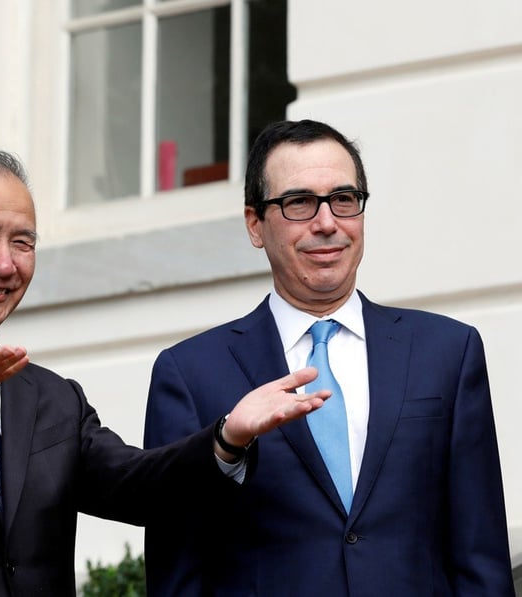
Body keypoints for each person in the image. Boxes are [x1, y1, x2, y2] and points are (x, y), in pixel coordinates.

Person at [0, 147, 330, 596]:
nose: (4, 263)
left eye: (23, 242)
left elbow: (138, 487)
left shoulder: (52, 398)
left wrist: (227, 438)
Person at [143, 119, 514, 596]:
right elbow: (178, 571)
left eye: (344, 199)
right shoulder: (190, 374)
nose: (327, 222)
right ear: (255, 224)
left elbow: (480, 556)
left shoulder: (447, 351)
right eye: (299, 202)